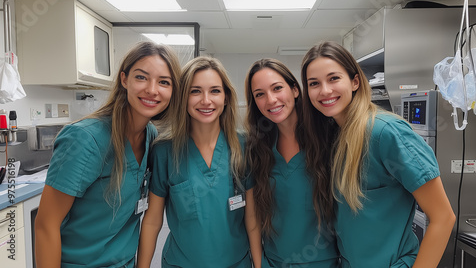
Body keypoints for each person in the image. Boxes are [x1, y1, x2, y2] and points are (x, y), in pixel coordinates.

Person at [300, 41, 456, 268]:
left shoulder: (385, 133)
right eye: (314, 83)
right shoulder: (334, 137)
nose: (324, 90)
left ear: (354, 82)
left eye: (333, 78)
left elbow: (443, 218)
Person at [34, 41, 181, 268]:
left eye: (164, 82)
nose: (152, 89)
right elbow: (46, 225)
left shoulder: (150, 136)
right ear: (124, 79)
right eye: (141, 77)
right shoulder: (85, 139)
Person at [137, 56, 252, 268]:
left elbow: (253, 220)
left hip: (237, 263)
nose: (206, 100)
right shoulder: (165, 151)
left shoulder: (244, 146)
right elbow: (152, 221)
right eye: (195, 91)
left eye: (215, 91)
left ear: (226, 97)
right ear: (183, 97)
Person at [243, 58, 341, 268]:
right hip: (273, 261)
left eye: (277, 88)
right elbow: (253, 218)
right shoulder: (257, 149)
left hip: (325, 262)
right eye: (259, 94)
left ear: (295, 90)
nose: (270, 100)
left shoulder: (329, 138)